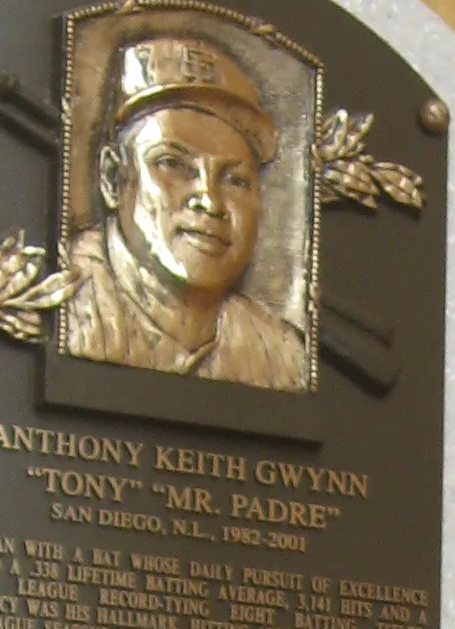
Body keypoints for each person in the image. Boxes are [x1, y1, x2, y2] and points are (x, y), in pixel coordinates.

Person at [58, 31, 308, 388]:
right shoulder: (58, 307)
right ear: (113, 178)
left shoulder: (281, 357)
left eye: (235, 180)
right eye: (173, 164)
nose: (210, 201)